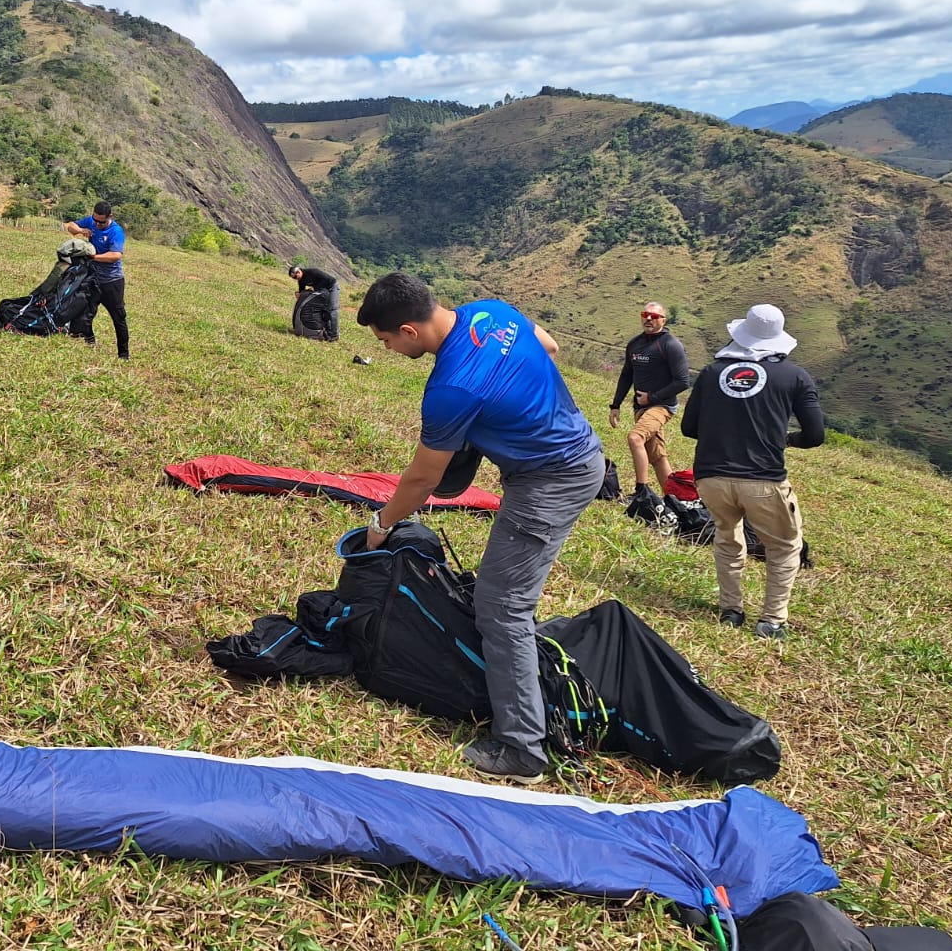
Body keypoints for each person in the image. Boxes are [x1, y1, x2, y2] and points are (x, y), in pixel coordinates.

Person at [358, 273, 605, 784]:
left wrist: (382, 522)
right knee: (506, 597)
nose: (387, 350)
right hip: (580, 449)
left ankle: (523, 749)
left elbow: (423, 478)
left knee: (502, 606)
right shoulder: (493, 312)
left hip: (550, 481)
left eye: (385, 341)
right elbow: (549, 346)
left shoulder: (450, 389)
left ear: (408, 330)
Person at [680, 304, 824, 640]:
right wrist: (785, 439)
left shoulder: (712, 372)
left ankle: (730, 610)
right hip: (763, 479)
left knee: (727, 538)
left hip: (711, 477)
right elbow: (815, 435)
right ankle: (771, 621)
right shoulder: (795, 376)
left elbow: (689, 428)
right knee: (784, 546)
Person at [608, 302, 690, 503]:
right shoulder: (635, 344)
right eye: (645, 314)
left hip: (662, 406)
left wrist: (652, 398)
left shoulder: (671, 345)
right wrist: (616, 405)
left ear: (664, 320)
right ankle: (674, 501)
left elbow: (682, 381)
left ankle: (641, 492)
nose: (649, 319)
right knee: (657, 457)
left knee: (635, 438)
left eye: (654, 316)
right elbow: (626, 375)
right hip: (640, 408)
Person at [63, 201, 129, 359]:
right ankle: (89, 342)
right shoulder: (91, 221)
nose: (97, 224)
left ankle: (123, 355)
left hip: (112, 281)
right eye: (95, 221)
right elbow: (70, 226)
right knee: (85, 312)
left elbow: (115, 255)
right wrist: (81, 230)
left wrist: (92, 257)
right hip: (92, 278)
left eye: (101, 222)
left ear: (110, 216)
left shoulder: (116, 231)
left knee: (118, 318)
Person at [289, 265, 340, 340]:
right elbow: (301, 291)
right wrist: (299, 294)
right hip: (323, 291)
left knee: (332, 310)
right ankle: (327, 331)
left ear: (299, 271)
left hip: (332, 287)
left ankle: (334, 334)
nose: (296, 278)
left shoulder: (312, 271)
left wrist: (315, 288)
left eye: (296, 276)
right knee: (324, 310)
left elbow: (326, 279)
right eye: (294, 278)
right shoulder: (301, 280)